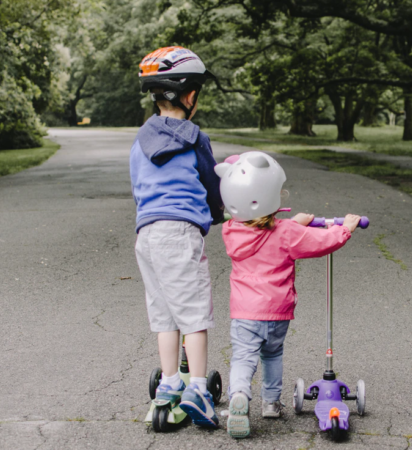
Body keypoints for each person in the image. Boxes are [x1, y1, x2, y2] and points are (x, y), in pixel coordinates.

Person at [214, 151, 361, 438]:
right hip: (277, 312)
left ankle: (239, 396)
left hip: (245, 312)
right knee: (273, 354)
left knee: (244, 357)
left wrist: (294, 222)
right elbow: (320, 242)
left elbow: (262, 230)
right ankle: (270, 403)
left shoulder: (231, 231)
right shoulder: (286, 233)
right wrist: (345, 229)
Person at [130, 46, 224, 428]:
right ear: (189, 97)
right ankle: (199, 389)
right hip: (179, 233)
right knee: (194, 314)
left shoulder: (140, 140)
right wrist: (219, 214)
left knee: (164, 314)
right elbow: (212, 182)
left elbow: (138, 186)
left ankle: (169, 384)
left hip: (147, 234)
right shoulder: (194, 137)